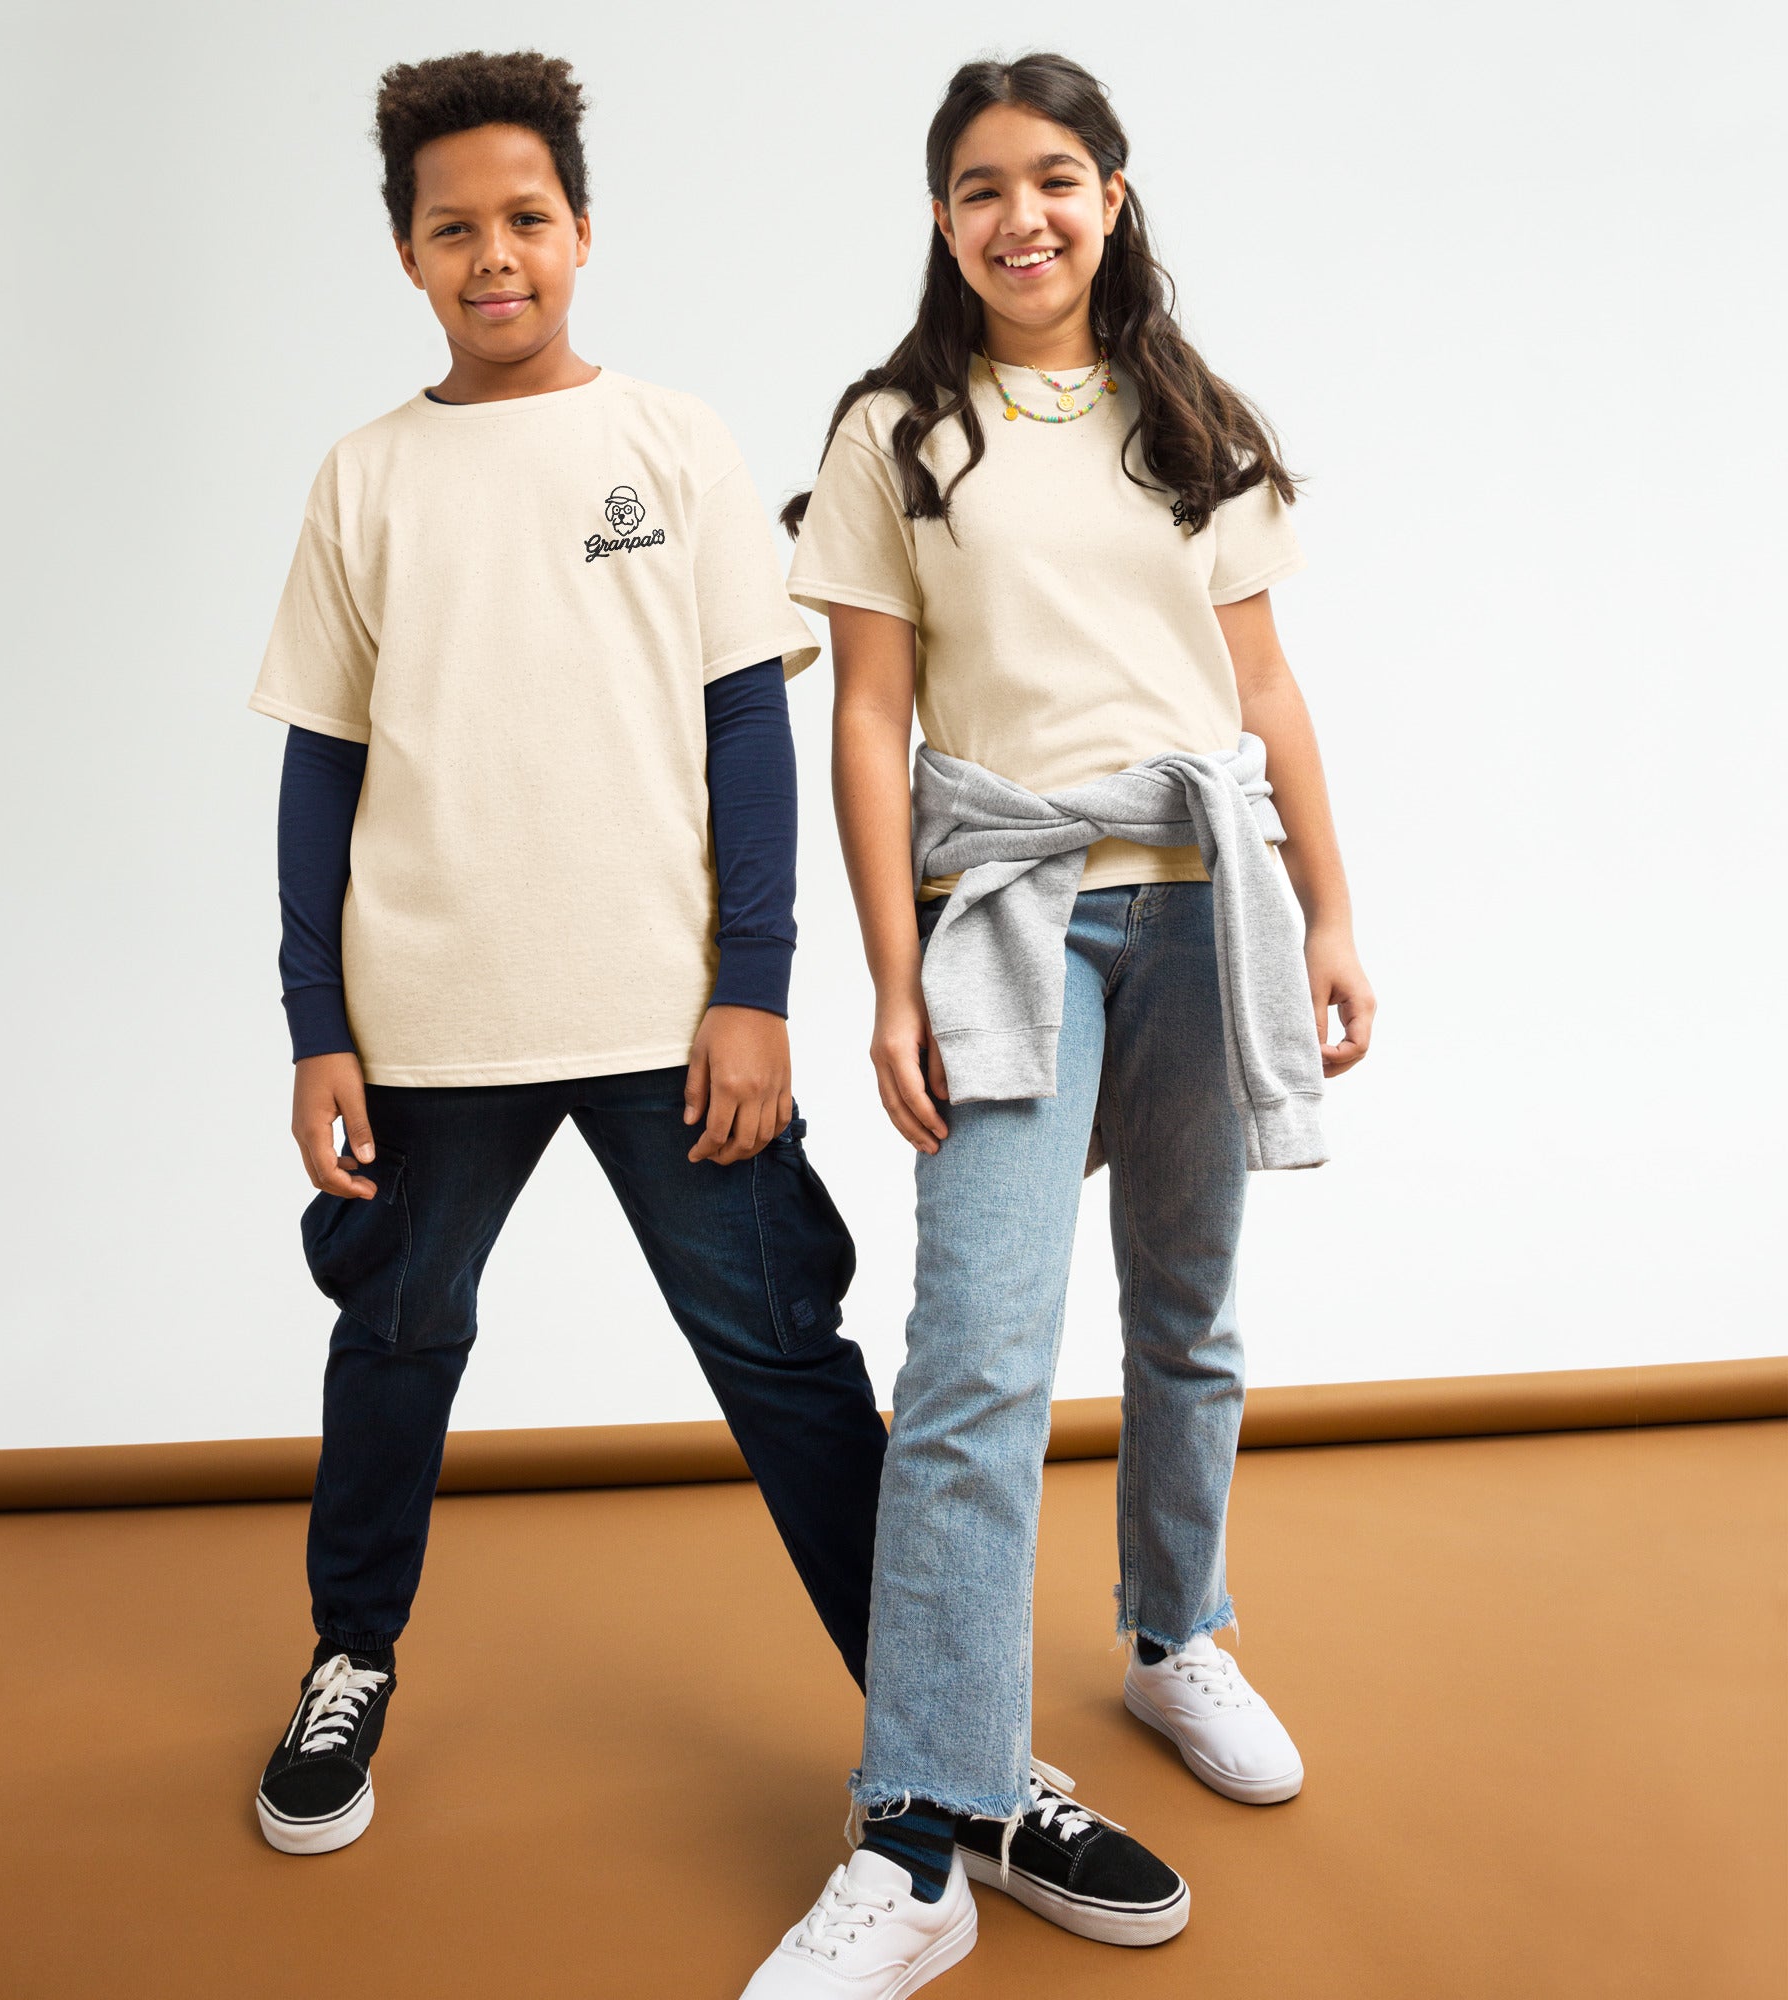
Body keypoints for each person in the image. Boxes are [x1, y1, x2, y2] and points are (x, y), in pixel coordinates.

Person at [742, 52, 1376, 1996]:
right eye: (975, 188)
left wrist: (1335, 908)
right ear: (938, 222)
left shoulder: (1194, 420)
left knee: (1185, 1308)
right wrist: (882, 973)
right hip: (1009, 910)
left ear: (1112, 194)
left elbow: (1260, 691)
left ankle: (1176, 1630)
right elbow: (863, 718)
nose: (1019, 214)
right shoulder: (895, 435)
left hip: (1208, 909)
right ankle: (922, 1831)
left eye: (1054, 177)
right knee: (974, 1362)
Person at [241, 49, 892, 1858]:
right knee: (394, 1338)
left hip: (666, 1016)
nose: (495, 254)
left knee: (788, 1361)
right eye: (455, 229)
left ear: (583, 232)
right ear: (408, 256)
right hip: (429, 1018)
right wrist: (319, 1025)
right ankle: (350, 1657)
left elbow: (747, 731)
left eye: (527, 217)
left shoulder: (671, 444)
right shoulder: (365, 478)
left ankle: (944, 1728)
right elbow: (322, 766)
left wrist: (751, 985)